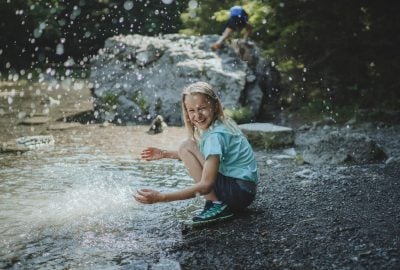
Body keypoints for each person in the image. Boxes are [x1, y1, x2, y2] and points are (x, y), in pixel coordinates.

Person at [133, 81, 259, 226]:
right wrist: (164, 153)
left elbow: (206, 185)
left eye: (202, 108)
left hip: (238, 193)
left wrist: (161, 197)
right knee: (187, 147)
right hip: (245, 190)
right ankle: (218, 202)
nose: (197, 115)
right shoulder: (222, 123)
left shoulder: (215, 137)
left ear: (215, 106)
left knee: (186, 146)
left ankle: (217, 203)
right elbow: (203, 155)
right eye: (191, 110)